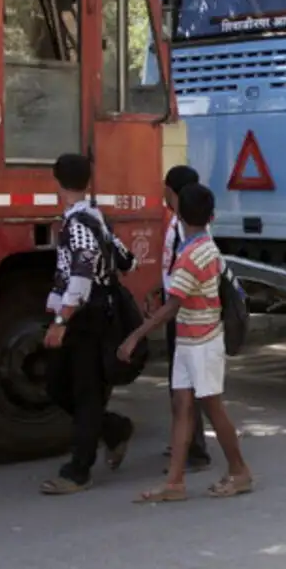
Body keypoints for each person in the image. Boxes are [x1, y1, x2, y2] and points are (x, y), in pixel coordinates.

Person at [118, 183, 253, 503]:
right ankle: (175, 481)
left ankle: (239, 471)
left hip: (201, 342)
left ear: (179, 214)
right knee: (183, 407)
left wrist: (135, 336)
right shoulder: (201, 246)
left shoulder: (193, 254)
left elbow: (172, 305)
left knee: (211, 408)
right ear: (211, 216)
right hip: (192, 339)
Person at [39, 153, 137, 495]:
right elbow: (128, 261)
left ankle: (78, 471)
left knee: (84, 392)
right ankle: (113, 429)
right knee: (60, 386)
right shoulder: (95, 218)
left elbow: (80, 275)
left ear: (57, 183)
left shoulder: (79, 224)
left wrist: (61, 320)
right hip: (89, 314)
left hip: (86, 318)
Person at [160, 165, 212, 470]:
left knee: (186, 387)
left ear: (172, 191)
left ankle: (194, 450)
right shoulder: (184, 224)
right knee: (184, 385)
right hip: (182, 310)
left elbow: (184, 274)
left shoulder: (186, 228)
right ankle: (186, 444)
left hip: (184, 314)